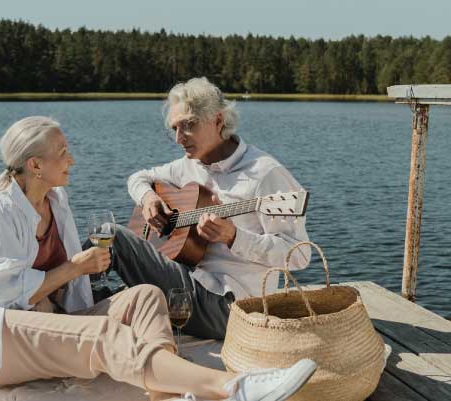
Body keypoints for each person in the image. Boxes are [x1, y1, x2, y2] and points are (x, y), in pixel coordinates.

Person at [0, 116, 316, 401]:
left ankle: (163, 391)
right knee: (105, 335)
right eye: (63, 152)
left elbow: (69, 290)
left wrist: (80, 279)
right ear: (35, 165)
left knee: (144, 296)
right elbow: (6, 298)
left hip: (45, 321)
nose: (72, 159)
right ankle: (232, 387)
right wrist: (76, 268)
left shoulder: (56, 200)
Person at [105, 77, 311, 340]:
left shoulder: (265, 173)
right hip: (187, 287)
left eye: (189, 126)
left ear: (218, 120)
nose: (179, 138)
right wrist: (148, 199)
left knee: (110, 236)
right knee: (102, 290)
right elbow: (138, 178)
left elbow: (299, 256)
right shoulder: (188, 165)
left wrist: (234, 237)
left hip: (232, 308)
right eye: (175, 129)